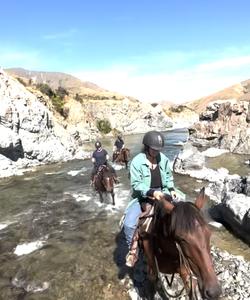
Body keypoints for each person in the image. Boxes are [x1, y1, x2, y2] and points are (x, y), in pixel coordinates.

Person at [123, 130, 177, 268]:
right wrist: (153, 193)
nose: (156, 152)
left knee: (185, 211)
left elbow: (168, 176)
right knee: (129, 224)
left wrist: (171, 189)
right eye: (154, 149)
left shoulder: (163, 159)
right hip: (143, 196)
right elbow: (136, 185)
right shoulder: (137, 162)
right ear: (147, 147)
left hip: (163, 192)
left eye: (158, 150)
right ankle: (134, 251)